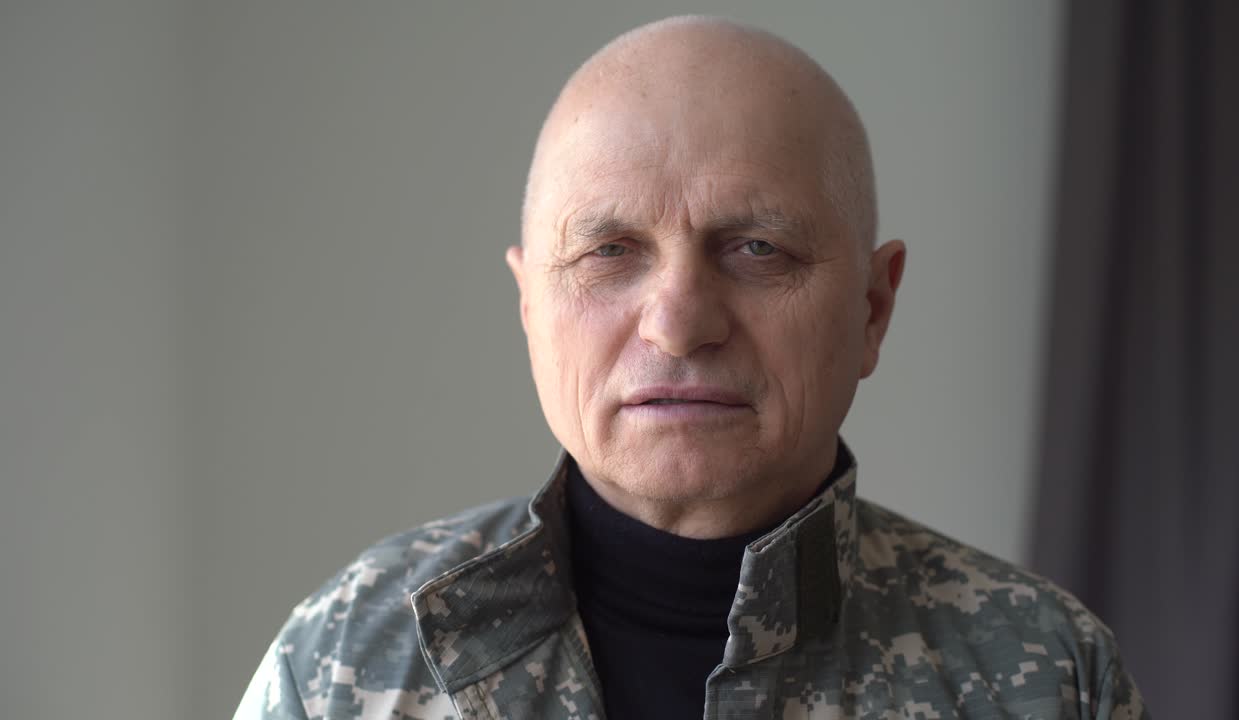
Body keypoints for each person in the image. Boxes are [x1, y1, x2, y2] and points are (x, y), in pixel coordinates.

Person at [235, 16, 1147, 720]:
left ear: (872, 308)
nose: (677, 326)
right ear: (531, 309)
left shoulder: (1051, 678)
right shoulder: (346, 662)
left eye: (757, 249)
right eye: (609, 252)